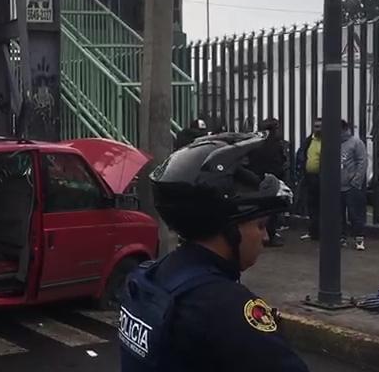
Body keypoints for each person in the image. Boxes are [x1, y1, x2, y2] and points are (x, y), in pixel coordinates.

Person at [119, 132, 308, 372]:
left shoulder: (151, 276)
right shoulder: (226, 309)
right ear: (228, 229)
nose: (265, 237)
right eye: (260, 225)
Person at [248, 118, 289, 247]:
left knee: (262, 209)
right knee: (272, 210)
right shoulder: (276, 144)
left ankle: (264, 234)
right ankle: (270, 235)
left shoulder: (256, 143)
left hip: (257, 178)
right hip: (272, 179)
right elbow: (279, 162)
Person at [339, 120, 368, 251]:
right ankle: (341, 237)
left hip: (351, 186)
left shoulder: (356, 142)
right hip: (337, 185)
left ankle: (359, 237)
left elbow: (362, 162)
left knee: (355, 213)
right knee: (338, 214)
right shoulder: (333, 143)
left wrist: (356, 181)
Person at [296, 118, 322, 241]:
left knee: (324, 207)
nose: (318, 129)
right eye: (316, 126)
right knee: (312, 206)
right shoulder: (309, 140)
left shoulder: (328, 141)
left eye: (320, 126)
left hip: (323, 179)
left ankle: (324, 232)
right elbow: (301, 153)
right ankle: (313, 232)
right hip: (310, 178)